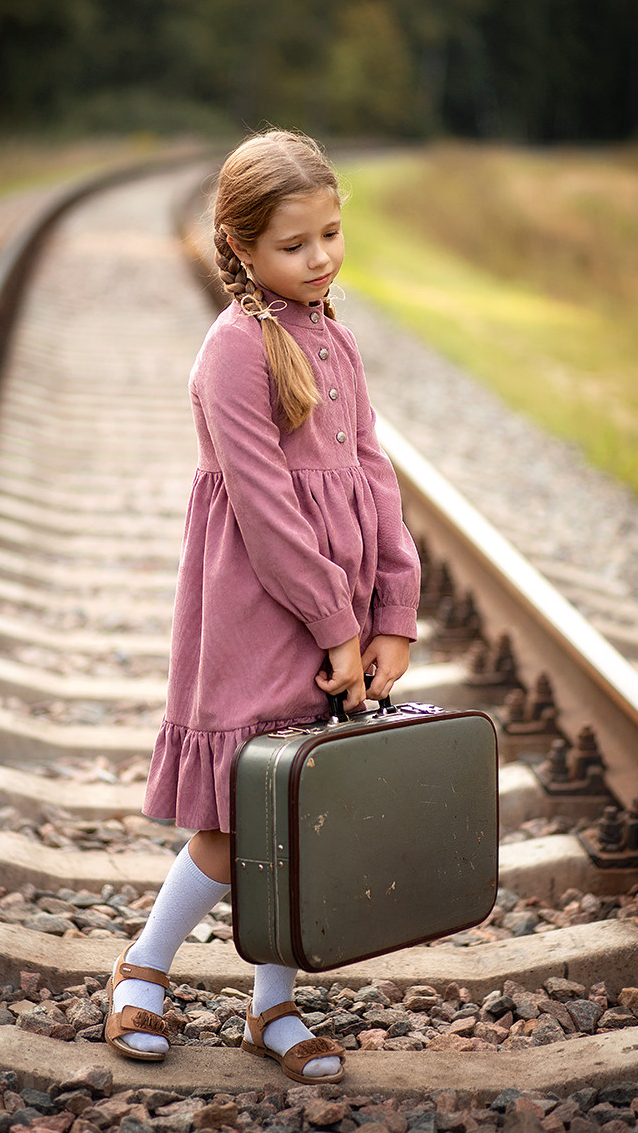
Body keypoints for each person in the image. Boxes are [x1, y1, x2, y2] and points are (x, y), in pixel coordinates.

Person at [104, 128, 421, 1083]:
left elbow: (374, 474)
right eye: (294, 244)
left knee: (301, 808)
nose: (320, 258)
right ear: (240, 246)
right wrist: (337, 626)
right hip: (259, 610)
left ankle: (271, 1005)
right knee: (238, 815)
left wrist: (392, 610)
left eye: (330, 234)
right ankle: (142, 968)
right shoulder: (235, 351)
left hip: (338, 608)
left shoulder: (335, 337)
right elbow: (267, 510)